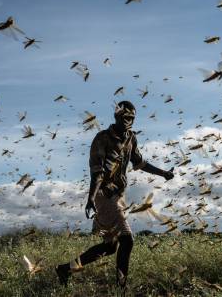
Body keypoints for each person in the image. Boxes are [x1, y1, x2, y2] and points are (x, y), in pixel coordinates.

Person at [55, 100, 174, 294]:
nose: (128, 121)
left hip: (118, 196)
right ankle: (122, 289)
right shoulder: (102, 139)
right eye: (125, 117)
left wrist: (163, 173)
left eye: (132, 118)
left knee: (110, 247)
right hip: (103, 194)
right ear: (117, 116)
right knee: (128, 240)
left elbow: (140, 162)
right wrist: (91, 198)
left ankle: (64, 269)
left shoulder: (131, 138)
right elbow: (97, 173)